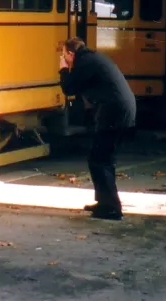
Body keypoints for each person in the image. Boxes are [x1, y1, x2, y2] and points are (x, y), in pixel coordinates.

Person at [58, 36, 136, 221]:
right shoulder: (91, 58)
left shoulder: (84, 62)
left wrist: (62, 68)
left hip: (114, 113)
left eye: (64, 55)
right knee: (100, 158)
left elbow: (68, 88)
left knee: (101, 160)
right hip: (119, 111)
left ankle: (111, 208)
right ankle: (105, 203)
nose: (64, 58)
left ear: (70, 53)